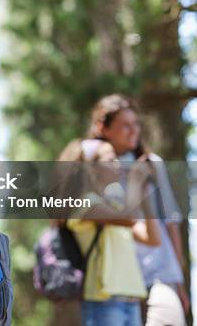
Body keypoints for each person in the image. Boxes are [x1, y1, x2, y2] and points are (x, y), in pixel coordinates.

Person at [87, 94, 188, 326]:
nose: (133, 131)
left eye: (136, 124)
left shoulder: (151, 164)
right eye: (125, 125)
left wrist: (179, 281)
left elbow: (170, 221)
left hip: (160, 271)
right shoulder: (95, 167)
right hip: (117, 277)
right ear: (104, 128)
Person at [63, 138, 161, 326]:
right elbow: (129, 217)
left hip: (130, 299)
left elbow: (153, 238)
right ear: (91, 168)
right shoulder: (84, 204)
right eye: (110, 160)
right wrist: (134, 180)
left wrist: (144, 193)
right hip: (104, 300)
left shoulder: (114, 205)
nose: (118, 164)